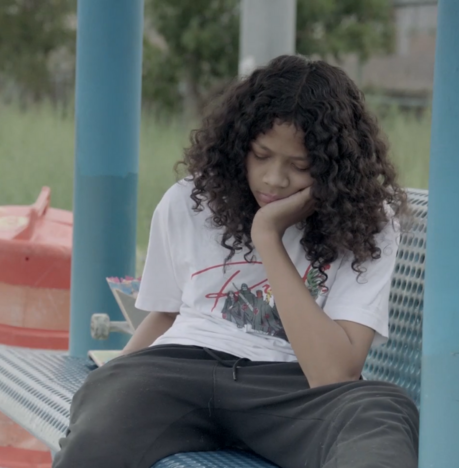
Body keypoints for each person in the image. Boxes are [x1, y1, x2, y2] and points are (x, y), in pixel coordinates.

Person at [53, 56, 419, 468]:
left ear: (335, 168)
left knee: (381, 411)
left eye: (300, 166)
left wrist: (268, 236)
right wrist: (114, 374)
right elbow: (168, 315)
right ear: (238, 143)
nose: (274, 179)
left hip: (291, 391)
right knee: (107, 406)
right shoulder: (189, 201)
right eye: (261, 155)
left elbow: (333, 375)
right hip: (181, 372)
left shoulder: (368, 223)